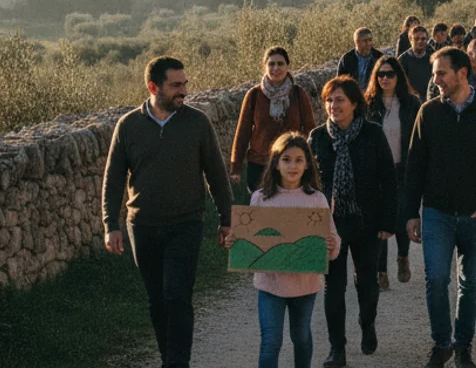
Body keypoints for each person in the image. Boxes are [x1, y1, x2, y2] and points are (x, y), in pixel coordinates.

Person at [102, 56, 234, 368]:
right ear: (153, 87)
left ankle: (177, 363)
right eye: (176, 85)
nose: (183, 91)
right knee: (157, 300)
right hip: (142, 226)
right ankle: (169, 360)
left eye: (184, 84)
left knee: (177, 295)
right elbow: (114, 178)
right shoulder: (128, 126)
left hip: (186, 223)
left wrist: (227, 219)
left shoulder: (197, 123)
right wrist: (111, 224)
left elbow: (216, 174)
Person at [404, 48, 476, 368]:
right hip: (437, 212)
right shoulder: (428, 113)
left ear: (462, 73)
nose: (435, 80)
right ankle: (442, 344)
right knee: (437, 279)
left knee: (470, 283)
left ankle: (463, 347)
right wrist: (411, 213)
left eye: (441, 73)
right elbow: (415, 167)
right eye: (434, 74)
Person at [309, 77, 398, 367]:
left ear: (354, 104)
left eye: (339, 100)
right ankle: (337, 348)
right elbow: (307, 184)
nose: (333, 106)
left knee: (367, 282)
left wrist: (387, 221)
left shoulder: (373, 134)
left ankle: (367, 322)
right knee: (333, 286)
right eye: (329, 100)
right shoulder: (317, 138)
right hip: (330, 224)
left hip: (366, 221)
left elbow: (388, 179)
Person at [249, 133, 341, 368]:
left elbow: (332, 239)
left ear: (307, 164)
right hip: (270, 284)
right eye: (286, 159)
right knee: (270, 342)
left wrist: (331, 246)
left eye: (299, 160)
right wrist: (237, 244)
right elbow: (251, 242)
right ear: (276, 163)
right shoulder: (260, 199)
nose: (292, 166)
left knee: (300, 337)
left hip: (304, 284)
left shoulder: (316, 200)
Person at [364, 56, 423, 291]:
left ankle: (402, 257)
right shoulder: (368, 104)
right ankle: (381, 272)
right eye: (381, 74)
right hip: (377, 171)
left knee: (400, 218)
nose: (385, 78)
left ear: (398, 77)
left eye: (390, 74)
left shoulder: (411, 103)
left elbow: (420, 138)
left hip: (403, 169)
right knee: (380, 220)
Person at [230, 47, 318, 191]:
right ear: (264, 66)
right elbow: (243, 133)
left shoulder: (298, 94)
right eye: (271, 64)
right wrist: (236, 168)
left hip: (291, 164)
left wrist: (309, 161)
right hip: (260, 164)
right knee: (261, 204)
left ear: (287, 66)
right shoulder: (254, 95)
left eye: (280, 64)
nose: (276, 68)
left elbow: (310, 129)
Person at [399, 24, 433, 99]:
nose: (420, 41)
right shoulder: (402, 60)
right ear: (410, 39)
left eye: (423, 39)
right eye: (416, 39)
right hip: (409, 100)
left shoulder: (432, 58)